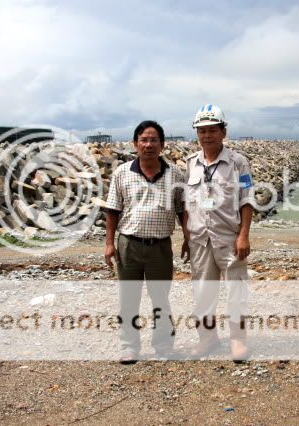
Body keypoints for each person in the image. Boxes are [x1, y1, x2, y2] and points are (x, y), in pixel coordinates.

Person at [104, 120, 185, 364]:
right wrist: (109, 244)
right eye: (144, 140)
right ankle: (129, 346)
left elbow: (183, 211)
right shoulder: (122, 173)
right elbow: (112, 210)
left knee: (160, 298)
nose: (149, 145)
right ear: (135, 144)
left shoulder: (175, 174)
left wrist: (188, 239)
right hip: (129, 245)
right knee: (128, 299)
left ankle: (163, 345)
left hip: (160, 247)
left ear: (162, 144)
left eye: (154, 140)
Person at [182, 104, 254, 360]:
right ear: (197, 134)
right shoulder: (191, 163)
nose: (207, 135)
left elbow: (247, 200)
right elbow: (187, 204)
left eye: (212, 130)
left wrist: (243, 235)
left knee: (236, 291)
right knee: (203, 293)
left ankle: (237, 340)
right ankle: (208, 339)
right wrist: (186, 237)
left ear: (223, 132)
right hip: (200, 239)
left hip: (229, 238)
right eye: (202, 131)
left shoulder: (238, 163)